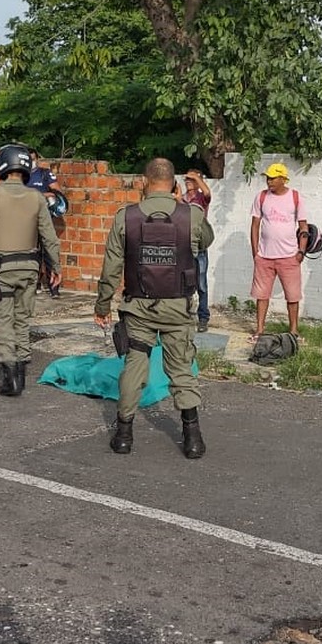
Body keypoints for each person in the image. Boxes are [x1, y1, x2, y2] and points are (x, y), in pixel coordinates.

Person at [93, 158, 214, 459]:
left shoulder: (126, 216)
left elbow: (111, 268)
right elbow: (206, 241)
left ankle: (123, 435)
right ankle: (193, 438)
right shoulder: (192, 215)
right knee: (181, 368)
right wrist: (181, 207)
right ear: (174, 184)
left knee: (135, 365)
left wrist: (102, 304)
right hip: (177, 307)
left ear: (144, 183)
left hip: (139, 307)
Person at [0, 144, 61, 397]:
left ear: (2, 167)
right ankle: (22, 364)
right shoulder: (37, 198)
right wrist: (56, 267)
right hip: (29, 268)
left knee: (4, 320)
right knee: (22, 318)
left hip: (1, 268)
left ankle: (11, 376)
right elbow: (49, 237)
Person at [249, 162, 309, 342]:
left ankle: (294, 330)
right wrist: (255, 252)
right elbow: (255, 225)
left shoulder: (295, 197)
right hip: (265, 256)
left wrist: (301, 252)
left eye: (273, 178)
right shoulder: (261, 197)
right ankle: (259, 330)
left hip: (289, 255)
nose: (269, 181)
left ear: (283, 179)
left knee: (292, 295)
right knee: (261, 295)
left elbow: (303, 226)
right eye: (267, 177)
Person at [27, 150, 63, 297]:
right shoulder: (21, 176)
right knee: (32, 253)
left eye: (33, 159)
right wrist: (41, 194)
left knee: (49, 252)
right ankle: (34, 283)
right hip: (27, 219)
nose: (31, 162)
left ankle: (53, 285)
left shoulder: (44, 173)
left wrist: (38, 195)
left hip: (45, 218)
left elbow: (57, 191)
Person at [183, 169, 212, 332]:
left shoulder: (201, 198)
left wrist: (197, 177)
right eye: (186, 178)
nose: (187, 181)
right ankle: (185, 315)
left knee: (201, 284)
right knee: (184, 284)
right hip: (184, 247)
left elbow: (207, 192)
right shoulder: (181, 199)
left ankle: (203, 317)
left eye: (191, 178)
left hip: (199, 248)